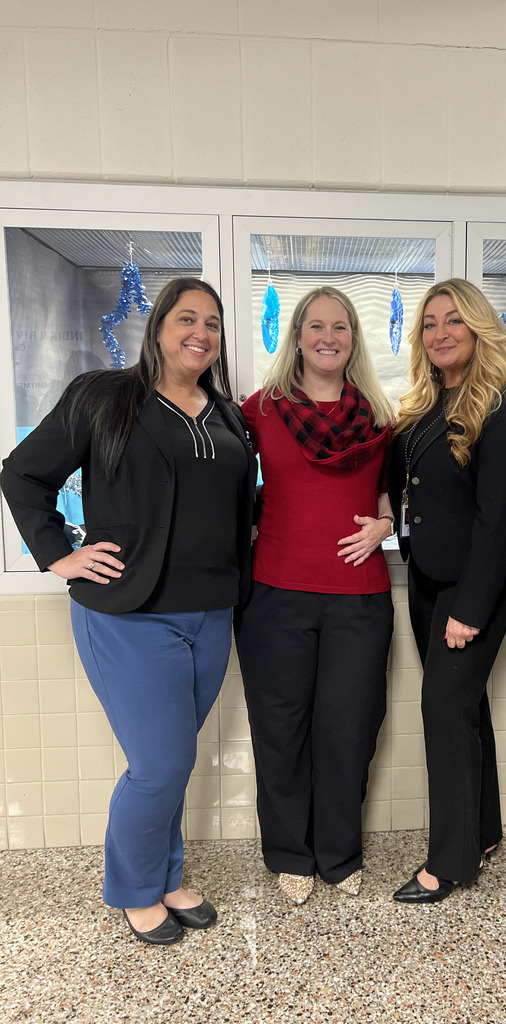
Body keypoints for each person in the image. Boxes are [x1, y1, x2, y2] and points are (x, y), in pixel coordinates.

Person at [0, 278, 257, 946]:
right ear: (158, 325)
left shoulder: (226, 416)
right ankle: (135, 890)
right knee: (161, 765)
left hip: (209, 614)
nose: (200, 333)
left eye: (213, 323)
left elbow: (239, 513)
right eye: (186, 318)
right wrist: (59, 554)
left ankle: (166, 877)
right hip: (128, 614)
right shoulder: (103, 395)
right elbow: (23, 474)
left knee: (174, 758)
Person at [234, 286, 395, 905]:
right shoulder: (259, 410)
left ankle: (338, 851)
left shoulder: (380, 417)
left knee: (349, 726)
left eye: (341, 327)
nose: (328, 337)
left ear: (354, 338)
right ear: (296, 335)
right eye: (315, 326)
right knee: (281, 727)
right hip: (275, 595)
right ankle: (288, 854)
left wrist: (385, 524)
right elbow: (221, 481)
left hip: (358, 597)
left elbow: (397, 495)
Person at [388, 278, 506, 903]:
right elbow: (409, 490)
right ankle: (482, 830)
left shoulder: (505, 405)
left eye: (454, 320)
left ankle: (450, 862)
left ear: (478, 328)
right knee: (465, 705)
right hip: (430, 580)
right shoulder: (425, 407)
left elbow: (499, 519)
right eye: (429, 323)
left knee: (443, 708)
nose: (440, 332)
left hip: (478, 584)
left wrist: (471, 609)